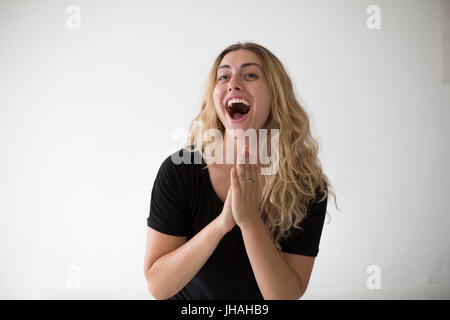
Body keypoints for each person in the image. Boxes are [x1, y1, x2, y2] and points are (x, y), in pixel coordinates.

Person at [143, 42, 337, 300]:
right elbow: (159, 286)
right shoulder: (180, 171)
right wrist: (222, 224)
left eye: (250, 75)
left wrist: (250, 221)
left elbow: (284, 296)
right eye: (223, 76)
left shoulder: (306, 186)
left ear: (275, 94)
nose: (233, 83)